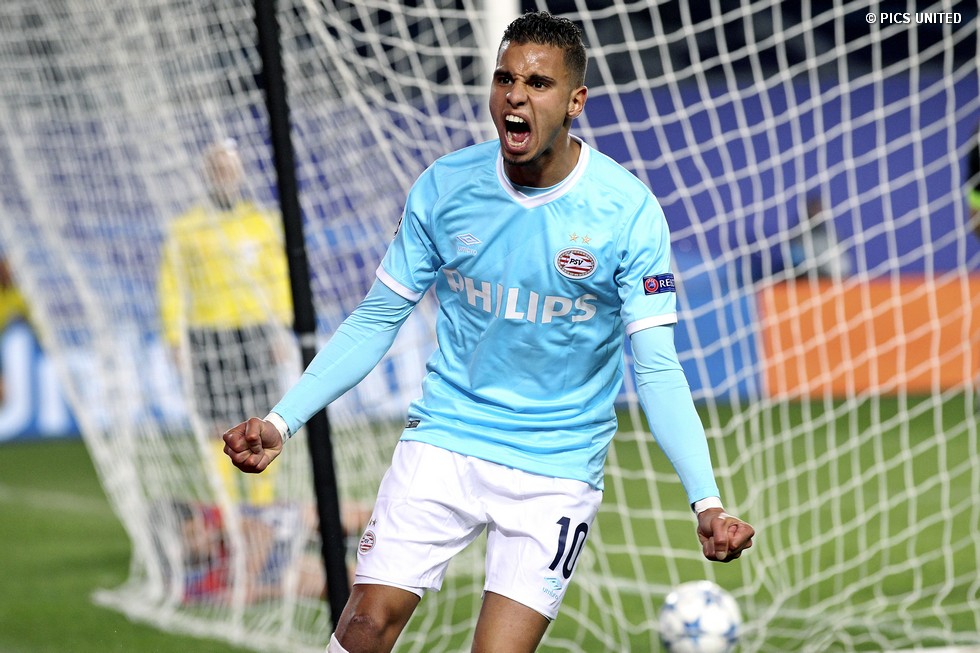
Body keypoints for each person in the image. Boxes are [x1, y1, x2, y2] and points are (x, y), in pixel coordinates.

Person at [223, 11, 755, 653]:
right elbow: (378, 317)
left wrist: (706, 502)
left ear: (575, 101)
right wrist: (281, 422)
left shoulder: (628, 213)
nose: (516, 96)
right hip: (447, 435)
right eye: (505, 79)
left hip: (556, 464)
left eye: (538, 83)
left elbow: (657, 367)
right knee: (364, 626)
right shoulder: (446, 187)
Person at [158, 139, 294, 503]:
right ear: (207, 175)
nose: (224, 175)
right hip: (207, 334)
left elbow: (278, 278)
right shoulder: (186, 228)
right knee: (215, 423)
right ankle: (227, 507)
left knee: (263, 419)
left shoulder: (261, 222)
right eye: (217, 169)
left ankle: (262, 504)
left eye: (229, 169)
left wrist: (281, 329)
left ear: (240, 173)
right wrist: (174, 338)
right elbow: (171, 286)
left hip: (255, 331)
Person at [788, 194, 852, 280]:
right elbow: (795, 262)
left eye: (820, 209)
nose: (818, 213)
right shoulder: (797, 235)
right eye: (815, 209)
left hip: (829, 279)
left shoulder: (831, 234)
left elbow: (843, 264)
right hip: (807, 279)